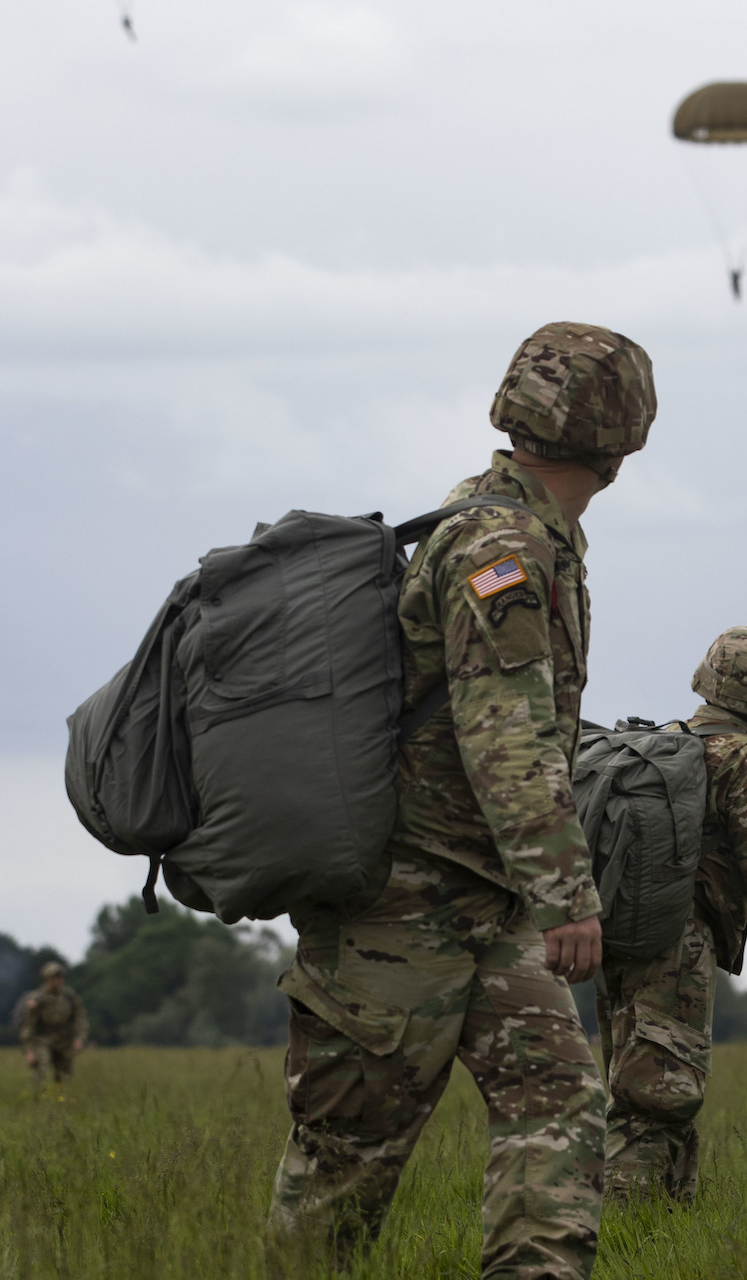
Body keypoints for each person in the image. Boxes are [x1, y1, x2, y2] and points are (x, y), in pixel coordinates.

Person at [267, 322, 655, 1278]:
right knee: (349, 1163)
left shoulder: (507, 526)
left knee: (560, 1103)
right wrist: (568, 895)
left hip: (484, 897)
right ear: (619, 437)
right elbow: (505, 733)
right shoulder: (502, 544)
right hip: (404, 903)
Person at [599, 626, 747, 1203]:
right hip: (678, 941)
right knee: (657, 1097)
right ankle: (622, 1229)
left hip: (614, 935)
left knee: (642, 1084)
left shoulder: (664, 743)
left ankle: (666, 1222)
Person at [17, 961, 87, 1087]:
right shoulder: (37, 999)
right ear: (47, 979)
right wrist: (28, 1051)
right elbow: (28, 1025)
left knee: (64, 1076)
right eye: (55, 977)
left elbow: (79, 1018)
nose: (58, 980)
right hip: (43, 1040)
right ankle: (37, 1096)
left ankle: (60, 1098)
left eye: (60, 977)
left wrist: (79, 1038)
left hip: (64, 1041)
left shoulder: (69, 997)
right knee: (42, 1070)